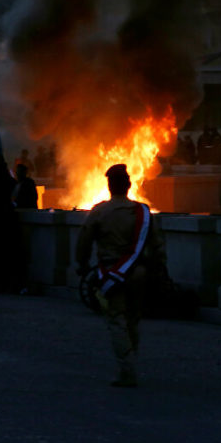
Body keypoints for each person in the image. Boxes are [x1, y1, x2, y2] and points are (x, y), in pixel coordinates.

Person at [75, 164, 166, 387]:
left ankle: (127, 370)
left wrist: (82, 265)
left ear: (109, 186)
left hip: (111, 274)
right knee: (133, 318)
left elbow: (83, 241)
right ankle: (131, 358)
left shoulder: (99, 211)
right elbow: (158, 246)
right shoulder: (143, 212)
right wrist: (160, 271)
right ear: (128, 185)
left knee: (116, 320)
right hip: (139, 273)